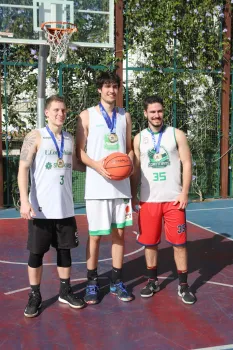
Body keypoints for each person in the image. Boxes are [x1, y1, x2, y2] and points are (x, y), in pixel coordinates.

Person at [18, 95, 85, 318]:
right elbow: (23, 169)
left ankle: (65, 291)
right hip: (41, 209)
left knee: (65, 252)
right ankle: (35, 294)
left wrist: (99, 168)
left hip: (64, 208)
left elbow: (75, 164)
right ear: (47, 112)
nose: (60, 114)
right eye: (56, 110)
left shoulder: (68, 139)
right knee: (36, 254)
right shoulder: (35, 136)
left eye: (63, 110)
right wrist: (25, 201)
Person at [131, 95, 196, 304]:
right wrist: (133, 195)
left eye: (159, 111)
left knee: (179, 244)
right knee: (150, 243)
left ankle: (183, 286)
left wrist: (185, 192)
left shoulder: (176, 134)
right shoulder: (139, 138)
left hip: (173, 200)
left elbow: (187, 163)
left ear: (163, 112)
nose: (156, 115)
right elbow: (135, 171)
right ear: (145, 114)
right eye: (152, 112)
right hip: (149, 200)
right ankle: (152, 281)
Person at [76, 71, 134, 304]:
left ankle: (116, 281)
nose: (111, 90)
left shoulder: (125, 116)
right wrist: (98, 166)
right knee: (96, 236)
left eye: (115, 86)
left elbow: (129, 148)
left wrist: (128, 164)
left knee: (119, 234)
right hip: (97, 186)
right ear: (99, 89)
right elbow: (79, 151)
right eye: (107, 86)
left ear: (119, 90)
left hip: (121, 187)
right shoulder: (86, 115)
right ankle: (92, 282)